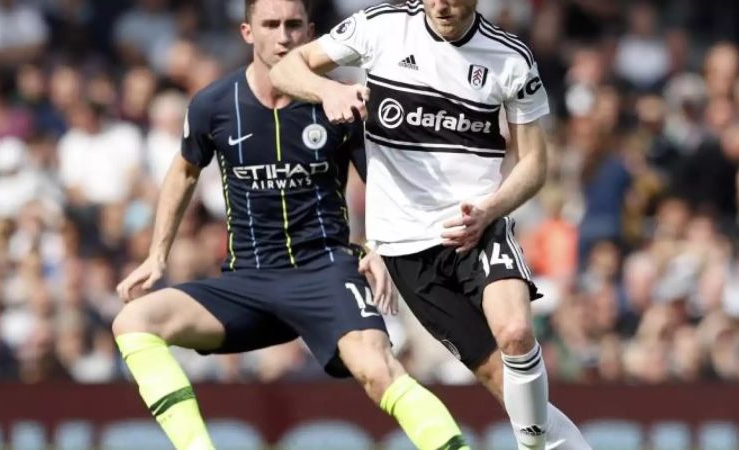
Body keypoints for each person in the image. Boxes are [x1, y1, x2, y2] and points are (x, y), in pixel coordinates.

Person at [111, 1, 470, 449]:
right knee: (133, 321)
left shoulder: (340, 102)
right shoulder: (214, 105)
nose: (283, 36)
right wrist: (156, 254)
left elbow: (382, 179)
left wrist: (379, 244)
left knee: (378, 368)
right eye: (271, 25)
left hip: (325, 272)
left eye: (294, 25)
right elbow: (184, 170)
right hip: (248, 283)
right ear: (247, 32)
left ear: (311, 33)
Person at [270, 1, 591, 448]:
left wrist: (491, 209)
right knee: (509, 390)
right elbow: (285, 69)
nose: (441, 5)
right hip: (408, 249)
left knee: (517, 334)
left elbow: (534, 163)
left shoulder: (510, 57)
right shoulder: (381, 27)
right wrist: (328, 91)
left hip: (477, 228)